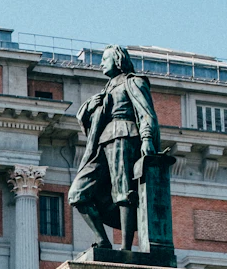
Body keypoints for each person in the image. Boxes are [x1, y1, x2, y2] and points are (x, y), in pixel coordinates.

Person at [69, 44, 162, 250]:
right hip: (102, 143)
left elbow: (146, 114)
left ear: (118, 60)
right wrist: (91, 106)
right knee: (77, 193)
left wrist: (147, 139)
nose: (101, 63)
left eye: (105, 58)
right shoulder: (104, 91)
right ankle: (103, 240)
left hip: (124, 135)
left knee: (123, 191)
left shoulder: (134, 82)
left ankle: (126, 248)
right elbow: (86, 119)